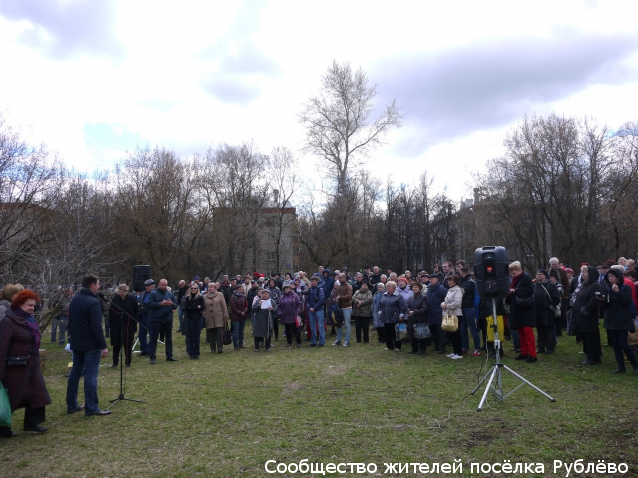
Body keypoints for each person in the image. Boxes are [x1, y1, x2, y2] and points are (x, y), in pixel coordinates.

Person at [0, 290, 52, 437]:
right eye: (29, 305)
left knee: (38, 393)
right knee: (12, 398)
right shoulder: (8, 322)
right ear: (19, 304)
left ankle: (32, 422)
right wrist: (1, 372)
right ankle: (3, 427)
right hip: (15, 367)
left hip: (32, 363)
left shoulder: (30, 320)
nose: (32, 308)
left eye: (34, 306)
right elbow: (2, 348)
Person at [66, 274, 111, 416]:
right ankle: (91, 408)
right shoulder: (93, 302)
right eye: (98, 284)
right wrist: (103, 346)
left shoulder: (74, 300)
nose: (99, 286)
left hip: (77, 342)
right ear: (92, 285)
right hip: (90, 345)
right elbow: (96, 327)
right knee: (91, 376)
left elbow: (71, 323)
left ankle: (72, 405)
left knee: (75, 373)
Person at [603, 268, 638, 374]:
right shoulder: (608, 289)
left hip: (622, 319)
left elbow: (627, 301)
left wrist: (617, 292)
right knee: (616, 344)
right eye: (609, 277)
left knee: (623, 343)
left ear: (618, 278)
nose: (610, 279)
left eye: (612, 277)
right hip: (611, 319)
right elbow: (607, 304)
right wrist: (602, 300)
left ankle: (635, 365)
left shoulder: (625, 288)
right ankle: (620, 365)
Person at [506, 262, 537, 363]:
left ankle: (532, 354)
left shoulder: (526, 278)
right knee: (520, 331)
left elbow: (529, 290)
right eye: (511, 274)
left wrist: (515, 290)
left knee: (527, 331)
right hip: (517, 309)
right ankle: (524, 352)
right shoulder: (514, 280)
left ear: (519, 270)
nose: (512, 275)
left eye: (513, 273)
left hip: (526, 309)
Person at [571, 266, 602, 365]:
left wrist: (584, 310)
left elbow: (595, 300)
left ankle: (593, 357)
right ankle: (588, 353)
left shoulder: (595, 285)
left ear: (591, 274)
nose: (582, 274)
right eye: (581, 272)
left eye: (584, 272)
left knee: (591, 337)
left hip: (589, 317)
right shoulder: (585, 285)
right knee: (585, 336)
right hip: (581, 316)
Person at [147, 279, 178, 364]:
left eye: (165, 285)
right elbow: (149, 304)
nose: (164, 286)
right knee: (154, 339)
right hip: (157, 319)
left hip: (168, 319)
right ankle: (152, 357)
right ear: (158, 284)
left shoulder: (170, 294)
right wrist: (161, 304)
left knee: (169, 338)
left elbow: (175, 305)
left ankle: (169, 356)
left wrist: (172, 304)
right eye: (162, 285)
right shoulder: (153, 294)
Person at [108, 284, 138, 368]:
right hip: (116, 324)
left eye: (122, 292)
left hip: (128, 324)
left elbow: (136, 311)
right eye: (119, 292)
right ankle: (115, 362)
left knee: (127, 343)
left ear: (126, 291)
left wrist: (134, 320)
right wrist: (111, 321)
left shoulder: (132, 299)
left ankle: (128, 362)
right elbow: (111, 310)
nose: (120, 293)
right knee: (116, 344)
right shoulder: (115, 299)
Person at [534, 269, 560, 355]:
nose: (538, 276)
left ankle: (550, 347)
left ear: (545, 275)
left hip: (547, 312)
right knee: (540, 330)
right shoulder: (536, 285)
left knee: (548, 330)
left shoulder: (551, 286)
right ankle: (540, 347)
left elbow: (556, 298)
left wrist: (550, 306)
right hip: (538, 311)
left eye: (540, 274)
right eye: (537, 274)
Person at [378, 281, 407, 351]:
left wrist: (401, 315)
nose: (387, 288)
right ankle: (389, 346)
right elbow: (380, 305)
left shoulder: (398, 296)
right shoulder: (384, 295)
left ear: (394, 288)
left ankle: (397, 346)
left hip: (395, 317)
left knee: (396, 333)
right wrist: (380, 312)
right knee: (387, 332)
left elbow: (402, 307)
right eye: (387, 286)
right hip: (386, 317)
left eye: (389, 286)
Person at [459, 266, 481, 356]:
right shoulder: (463, 281)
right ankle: (464, 347)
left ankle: (477, 348)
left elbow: (462, 292)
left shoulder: (470, 282)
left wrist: (456, 290)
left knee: (472, 328)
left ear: (461, 272)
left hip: (469, 307)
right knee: (462, 329)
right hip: (463, 307)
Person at [441, 275, 464, 359]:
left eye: (450, 280)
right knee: (451, 333)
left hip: (456, 314)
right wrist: (443, 304)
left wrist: (447, 306)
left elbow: (457, 302)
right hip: (449, 313)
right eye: (448, 280)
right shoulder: (450, 290)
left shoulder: (458, 290)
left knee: (456, 333)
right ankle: (454, 352)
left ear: (455, 281)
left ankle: (459, 353)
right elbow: (446, 300)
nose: (449, 282)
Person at [202, 283, 227, 353]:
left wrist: (225, 316)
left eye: (211, 287)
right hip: (209, 318)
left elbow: (224, 306)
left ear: (215, 288)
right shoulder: (204, 297)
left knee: (219, 333)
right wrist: (204, 314)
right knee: (211, 334)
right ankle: (213, 348)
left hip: (219, 317)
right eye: (208, 287)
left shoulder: (220, 295)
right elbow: (203, 307)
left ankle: (220, 348)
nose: (210, 288)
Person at [426, 275, 447, 354]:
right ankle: (436, 346)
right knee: (433, 331)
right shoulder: (429, 289)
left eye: (432, 279)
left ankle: (442, 348)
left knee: (440, 332)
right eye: (430, 279)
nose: (430, 280)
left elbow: (445, 299)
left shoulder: (442, 289)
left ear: (437, 279)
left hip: (439, 313)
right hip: (430, 313)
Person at [183, 282, 205, 359]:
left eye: (195, 288)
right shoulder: (187, 298)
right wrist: (196, 307)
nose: (193, 289)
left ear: (197, 289)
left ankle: (197, 352)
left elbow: (202, 308)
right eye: (192, 288)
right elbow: (186, 308)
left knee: (197, 337)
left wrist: (192, 307)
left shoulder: (200, 297)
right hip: (190, 319)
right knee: (191, 336)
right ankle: (191, 352)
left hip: (199, 318)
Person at [278, 281, 303, 348]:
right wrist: (280, 313)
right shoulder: (282, 297)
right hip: (285, 316)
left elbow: (299, 304)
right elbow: (279, 306)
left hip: (294, 315)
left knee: (296, 330)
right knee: (287, 330)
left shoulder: (295, 296)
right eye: (286, 289)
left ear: (291, 289)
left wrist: (298, 312)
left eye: (288, 288)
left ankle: (298, 342)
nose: (287, 290)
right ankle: (289, 342)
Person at [406, 282, 428, 355]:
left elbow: (424, 308)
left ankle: (422, 348)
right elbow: (407, 306)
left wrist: (415, 311)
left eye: (416, 287)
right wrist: (408, 311)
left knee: (420, 333)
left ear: (420, 289)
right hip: (411, 318)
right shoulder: (411, 298)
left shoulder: (423, 298)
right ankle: (414, 348)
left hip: (420, 318)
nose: (414, 289)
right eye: (413, 287)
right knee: (411, 332)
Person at [333, 272, 353, 346]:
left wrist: (340, 297)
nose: (339, 279)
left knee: (347, 325)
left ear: (344, 278)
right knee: (338, 324)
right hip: (340, 307)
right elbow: (338, 294)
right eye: (338, 277)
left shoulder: (348, 286)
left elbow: (349, 296)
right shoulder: (340, 286)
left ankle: (347, 341)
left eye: (340, 277)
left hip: (347, 307)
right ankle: (338, 340)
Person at [306, 276, 326, 347]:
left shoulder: (320, 289)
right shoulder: (309, 290)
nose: (312, 282)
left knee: (321, 326)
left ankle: (322, 342)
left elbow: (322, 300)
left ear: (317, 282)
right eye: (311, 281)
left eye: (314, 281)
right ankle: (313, 341)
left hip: (319, 310)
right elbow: (307, 300)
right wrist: (309, 307)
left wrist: (314, 307)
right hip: (311, 310)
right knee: (312, 327)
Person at [137, 279, 155, 356]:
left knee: (152, 334)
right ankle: (143, 350)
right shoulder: (143, 294)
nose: (146, 287)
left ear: (153, 286)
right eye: (146, 286)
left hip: (151, 315)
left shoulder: (155, 294)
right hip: (142, 315)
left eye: (148, 286)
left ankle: (149, 350)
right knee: (141, 334)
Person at [229, 284, 248, 350]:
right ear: (237, 290)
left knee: (241, 331)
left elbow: (246, 305)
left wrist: (244, 311)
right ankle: (235, 345)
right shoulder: (233, 297)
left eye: (242, 289)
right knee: (236, 332)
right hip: (235, 317)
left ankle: (241, 344)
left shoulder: (244, 297)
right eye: (240, 289)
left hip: (243, 317)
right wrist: (240, 313)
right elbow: (233, 307)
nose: (241, 290)